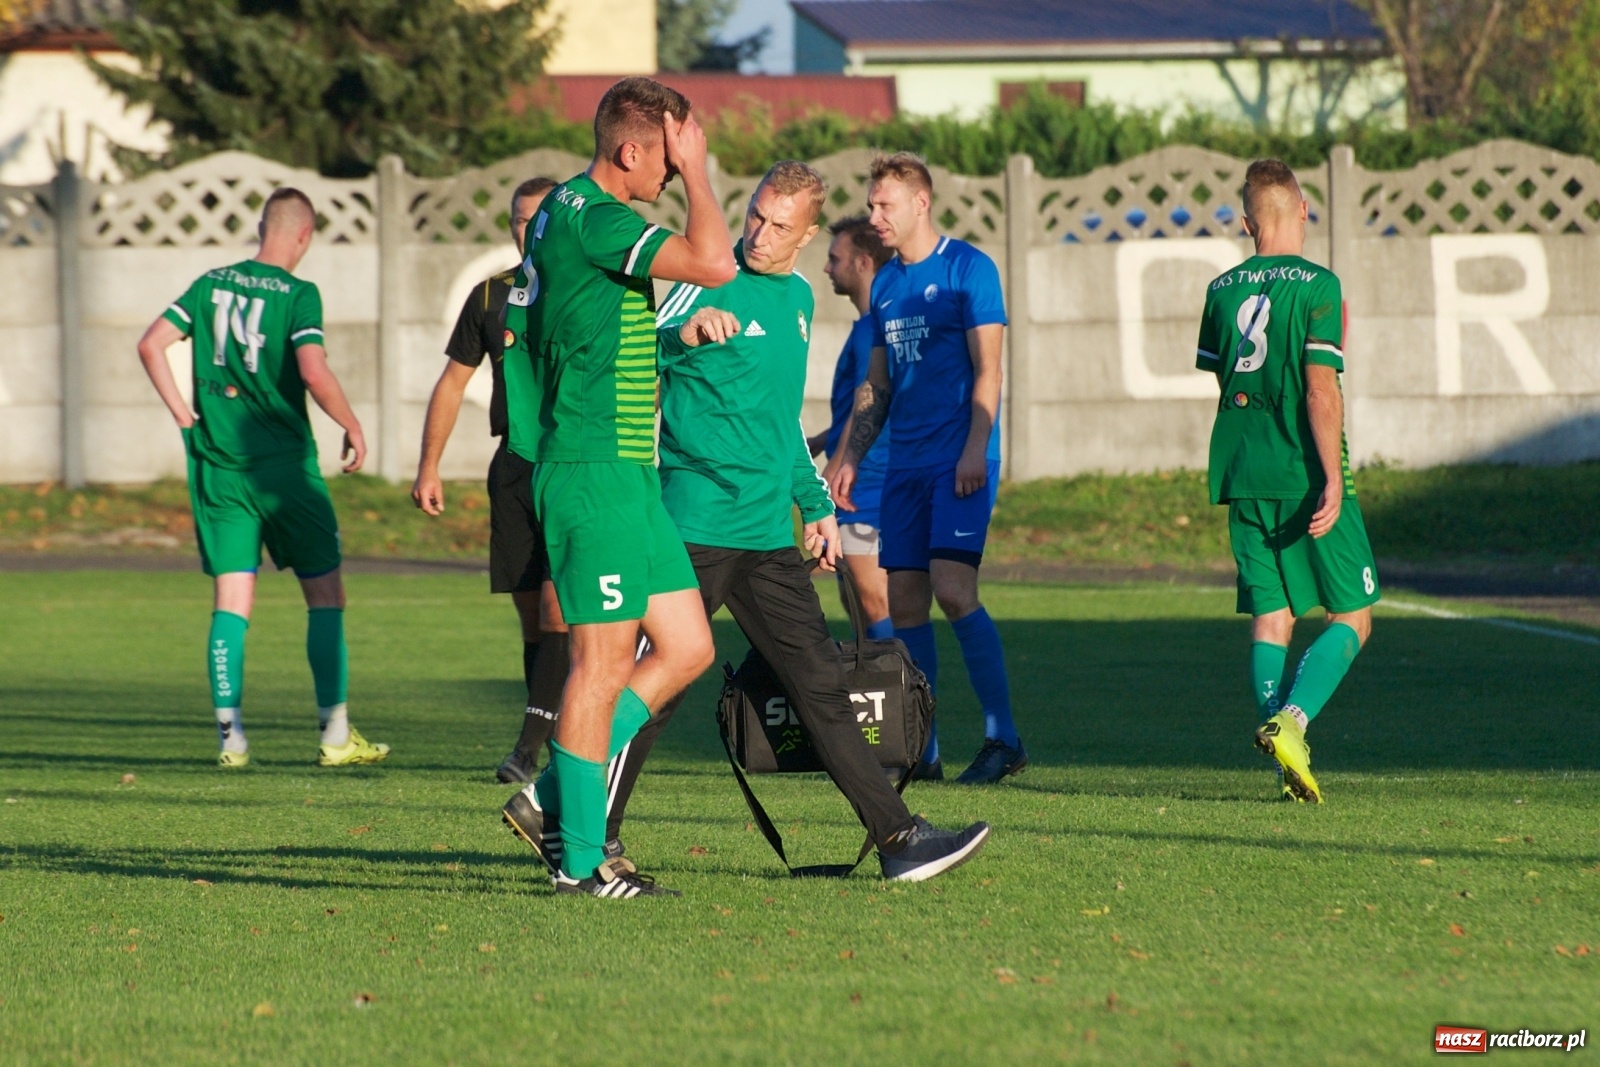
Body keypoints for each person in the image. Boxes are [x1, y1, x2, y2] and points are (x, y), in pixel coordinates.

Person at [581, 163, 990, 883]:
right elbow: (634, 350)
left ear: (806, 235)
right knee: (659, 684)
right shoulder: (701, 274)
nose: (759, 235)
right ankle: (583, 830)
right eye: (755, 216)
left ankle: (898, 839)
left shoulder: (800, 298)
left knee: (823, 687)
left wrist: (819, 508)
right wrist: (686, 336)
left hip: (770, 532)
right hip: (697, 520)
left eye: (778, 225)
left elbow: (778, 423)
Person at [496, 77, 736, 899]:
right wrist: (703, 173)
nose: (673, 173)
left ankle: (551, 796)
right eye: (668, 158)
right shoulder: (599, 218)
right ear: (631, 150)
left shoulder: (563, 205)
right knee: (599, 663)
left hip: (629, 465)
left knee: (688, 646)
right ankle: (578, 863)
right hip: (592, 466)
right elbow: (714, 263)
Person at [135, 188, 388, 769]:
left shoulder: (210, 284)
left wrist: (182, 413)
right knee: (325, 595)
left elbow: (152, 344)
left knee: (232, 600)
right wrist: (350, 423)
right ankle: (334, 735)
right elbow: (312, 367)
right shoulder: (298, 295)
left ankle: (232, 740)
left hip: (220, 465)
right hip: (285, 470)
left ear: (260, 227)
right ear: (305, 235)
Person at [826, 152, 1025, 785]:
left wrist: (976, 444)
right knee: (906, 605)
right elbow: (876, 386)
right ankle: (925, 750)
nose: (874, 216)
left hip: (958, 459)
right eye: (871, 205)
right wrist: (851, 457)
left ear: (920, 203)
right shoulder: (885, 284)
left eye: (884, 205)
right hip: (905, 465)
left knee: (952, 589)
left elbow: (990, 368)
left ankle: (1003, 738)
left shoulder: (970, 269)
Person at [1195, 158, 1379, 804]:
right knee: (1353, 616)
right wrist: (1332, 475)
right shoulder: (1320, 286)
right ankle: (1292, 721)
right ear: (1304, 210)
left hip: (1244, 469)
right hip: (1305, 467)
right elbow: (1320, 389)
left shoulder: (1220, 291)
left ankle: (1285, 758)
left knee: (1273, 616)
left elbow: (1226, 379)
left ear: (1247, 223)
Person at [411, 177, 569, 785]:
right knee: (532, 619)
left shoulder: (587, 288)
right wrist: (430, 465)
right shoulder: (489, 297)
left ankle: (528, 748)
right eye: (518, 219)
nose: (527, 229)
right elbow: (452, 382)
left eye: (538, 219)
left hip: (573, 466)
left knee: (560, 611)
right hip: (512, 470)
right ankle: (553, 736)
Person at [808, 215, 895, 650]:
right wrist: (823, 440)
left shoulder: (875, 325)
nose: (827, 268)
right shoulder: (867, 326)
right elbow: (859, 409)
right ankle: (884, 691)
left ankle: (906, 694)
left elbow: (872, 399)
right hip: (857, 480)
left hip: (865, 485)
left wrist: (835, 470)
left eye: (834, 259)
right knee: (854, 597)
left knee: (872, 597)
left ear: (863, 263)